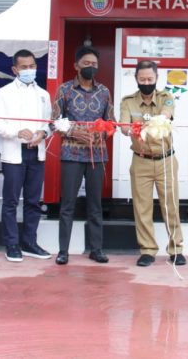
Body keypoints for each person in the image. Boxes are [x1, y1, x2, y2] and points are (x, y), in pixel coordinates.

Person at [119, 60, 186, 267]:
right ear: (136, 79)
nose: (146, 83)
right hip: (141, 161)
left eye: (150, 79)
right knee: (142, 207)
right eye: (142, 79)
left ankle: (176, 249)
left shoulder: (166, 97)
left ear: (157, 78)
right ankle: (147, 250)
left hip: (166, 160)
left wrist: (154, 122)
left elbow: (166, 114)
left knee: (171, 206)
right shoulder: (128, 101)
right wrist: (130, 129)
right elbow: (124, 125)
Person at [52, 45, 114, 265]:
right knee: (67, 204)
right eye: (86, 63)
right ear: (76, 66)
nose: (91, 67)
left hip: (97, 156)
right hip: (71, 154)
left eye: (94, 64)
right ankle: (63, 251)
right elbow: (55, 121)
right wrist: (73, 132)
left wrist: (102, 134)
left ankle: (96, 249)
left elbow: (111, 123)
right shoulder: (64, 90)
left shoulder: (104, 91)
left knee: (95, 205)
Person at [0, 49, 51, 262]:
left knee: (33, 201)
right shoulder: (4, 93)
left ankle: (29, 242)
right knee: (11, 201)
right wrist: (17, 132)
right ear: (15, 69)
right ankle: (11, 244)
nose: (29, 70)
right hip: (14, 153)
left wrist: (43, 133)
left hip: (36, 153)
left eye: (32, 66)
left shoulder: (43, 94)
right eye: (24, 67)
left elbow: (48, 123)